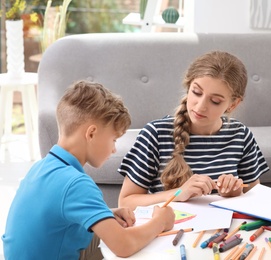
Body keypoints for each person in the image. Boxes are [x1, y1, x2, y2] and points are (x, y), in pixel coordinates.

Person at [2, 80, 175, 259]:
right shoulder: (76, 184)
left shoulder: (41, 167)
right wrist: (160, 222)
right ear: (91, 133)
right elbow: (123, 246)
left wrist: (107, 213)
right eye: (113, 140)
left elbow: (58, 213)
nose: (114, 149)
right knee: (135, 247)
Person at [118, 51, 270, 210]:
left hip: (224, 231)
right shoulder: (155, 134)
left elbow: (255, 196)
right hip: (172, 230)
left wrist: (236, 192)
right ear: (188, 87)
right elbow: (125, 202)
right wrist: (178, 193)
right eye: (196, 92)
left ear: (233, 104)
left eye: (215, 101)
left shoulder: (241, 136)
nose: (200, 106)